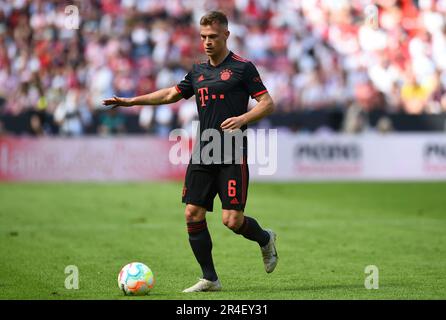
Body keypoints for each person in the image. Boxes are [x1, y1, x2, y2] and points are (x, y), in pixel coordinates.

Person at [103, 11, 278, 292]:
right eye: (203, 37)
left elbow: (268, 103)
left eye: (213, 37)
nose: (207, 42)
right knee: (192, 213)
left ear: (226, 36)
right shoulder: (197, 71)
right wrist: (131, 101)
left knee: (232, 221)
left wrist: (243, 119)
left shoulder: (243, 68)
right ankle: (210, 278)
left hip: (232, 152)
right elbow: (171, 94)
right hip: (203, 152)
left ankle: (265, 239)